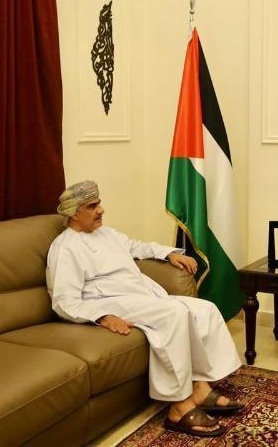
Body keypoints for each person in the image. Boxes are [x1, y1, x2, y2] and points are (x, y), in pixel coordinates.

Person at [46, 180, 242, 437]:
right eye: (92, 206)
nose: (101, 210)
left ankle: (200, 388)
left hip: (139, 295)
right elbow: (64, 301)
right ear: (74, 213)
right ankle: (179, 406)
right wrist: (102, 317)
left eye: (99, 203)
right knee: (175, 314)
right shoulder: (65, 248)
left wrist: (169, 254)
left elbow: (138, 247)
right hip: (108, 300)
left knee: (204, 309)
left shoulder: (106, 233)